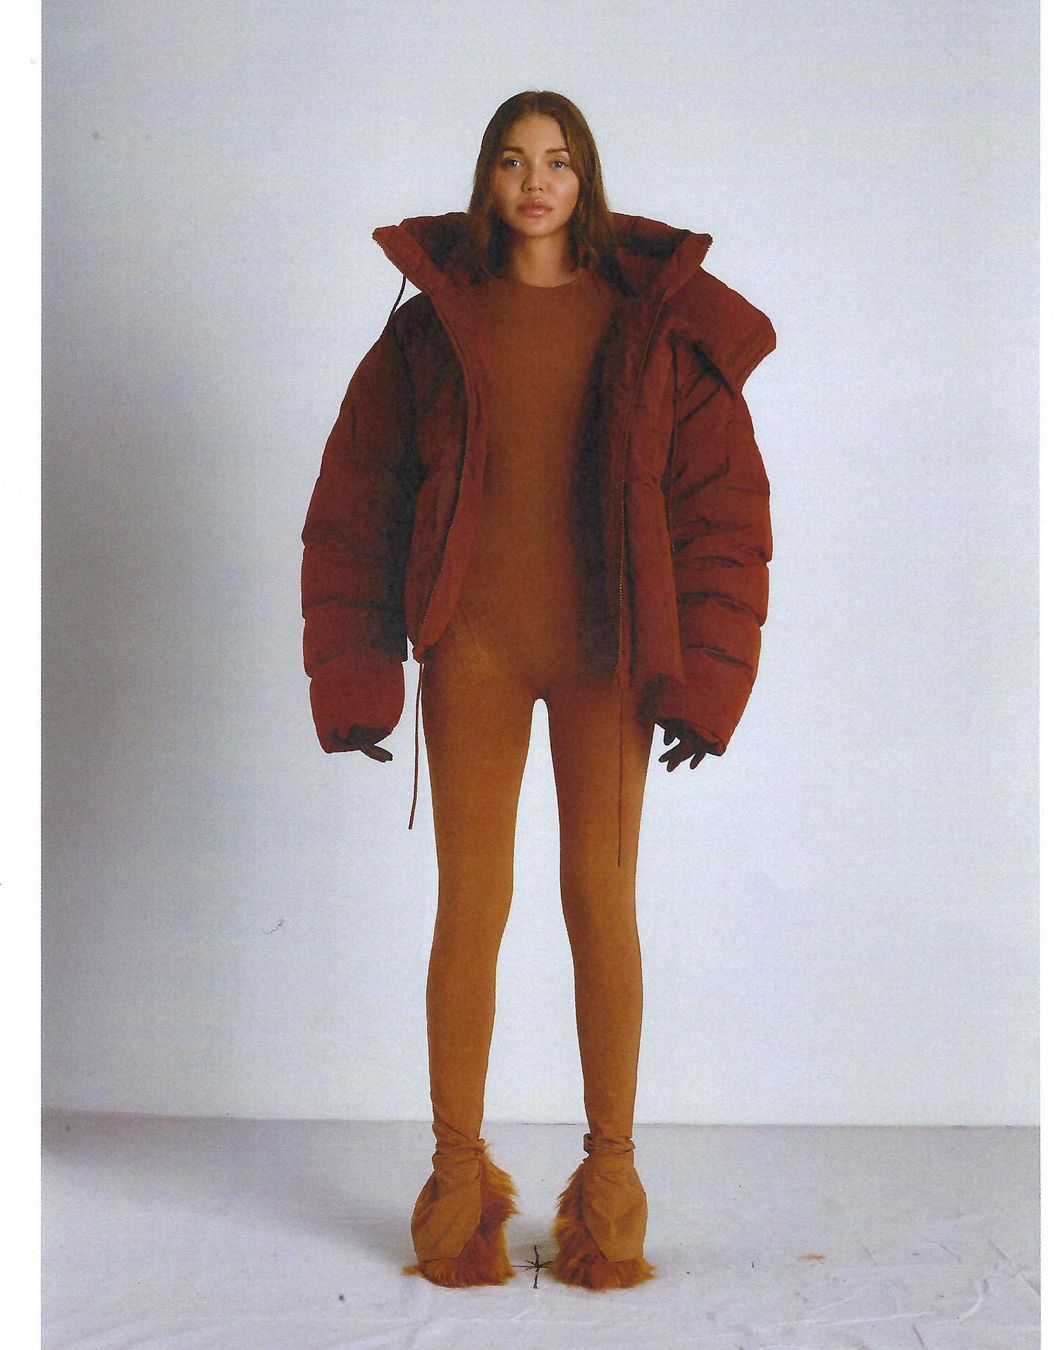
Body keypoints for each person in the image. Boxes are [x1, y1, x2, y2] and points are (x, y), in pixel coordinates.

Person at [300, 90, 775, 1292]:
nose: (535, 182)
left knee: (599, 904)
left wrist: (705, 685)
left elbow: (721, 507)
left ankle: (609, 1197)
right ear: (487, 179)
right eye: (513, 161)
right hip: (474, 649)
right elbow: (357, 499)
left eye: (557, 161)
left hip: (609, 655)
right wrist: (357, 675)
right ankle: (457, 1190)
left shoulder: (654, 324)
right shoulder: (430, 332)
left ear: (586, 178)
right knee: (471, 906)